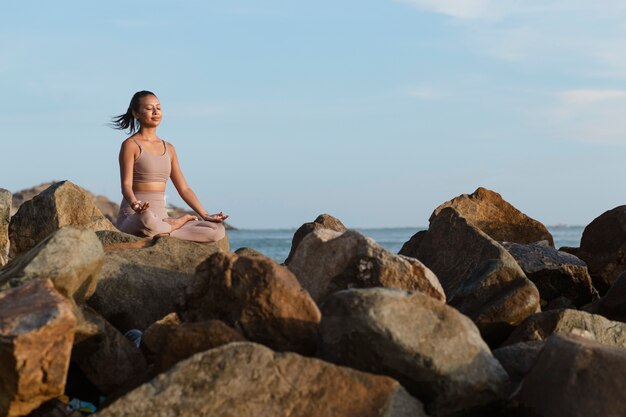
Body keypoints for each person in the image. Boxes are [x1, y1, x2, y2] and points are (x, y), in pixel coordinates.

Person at [111, 90, 228, 242]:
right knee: (146, 221)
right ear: (136, 113)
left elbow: (184, 188)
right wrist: (135, 205)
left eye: (158, 108)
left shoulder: (169, 148)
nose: (155, 112)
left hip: (162, 220)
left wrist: (205, 215)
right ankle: (175, 225)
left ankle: (165, 231)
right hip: (136, 216)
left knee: (217, 230)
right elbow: (126, 185)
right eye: (149, 108)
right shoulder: (130, 145)